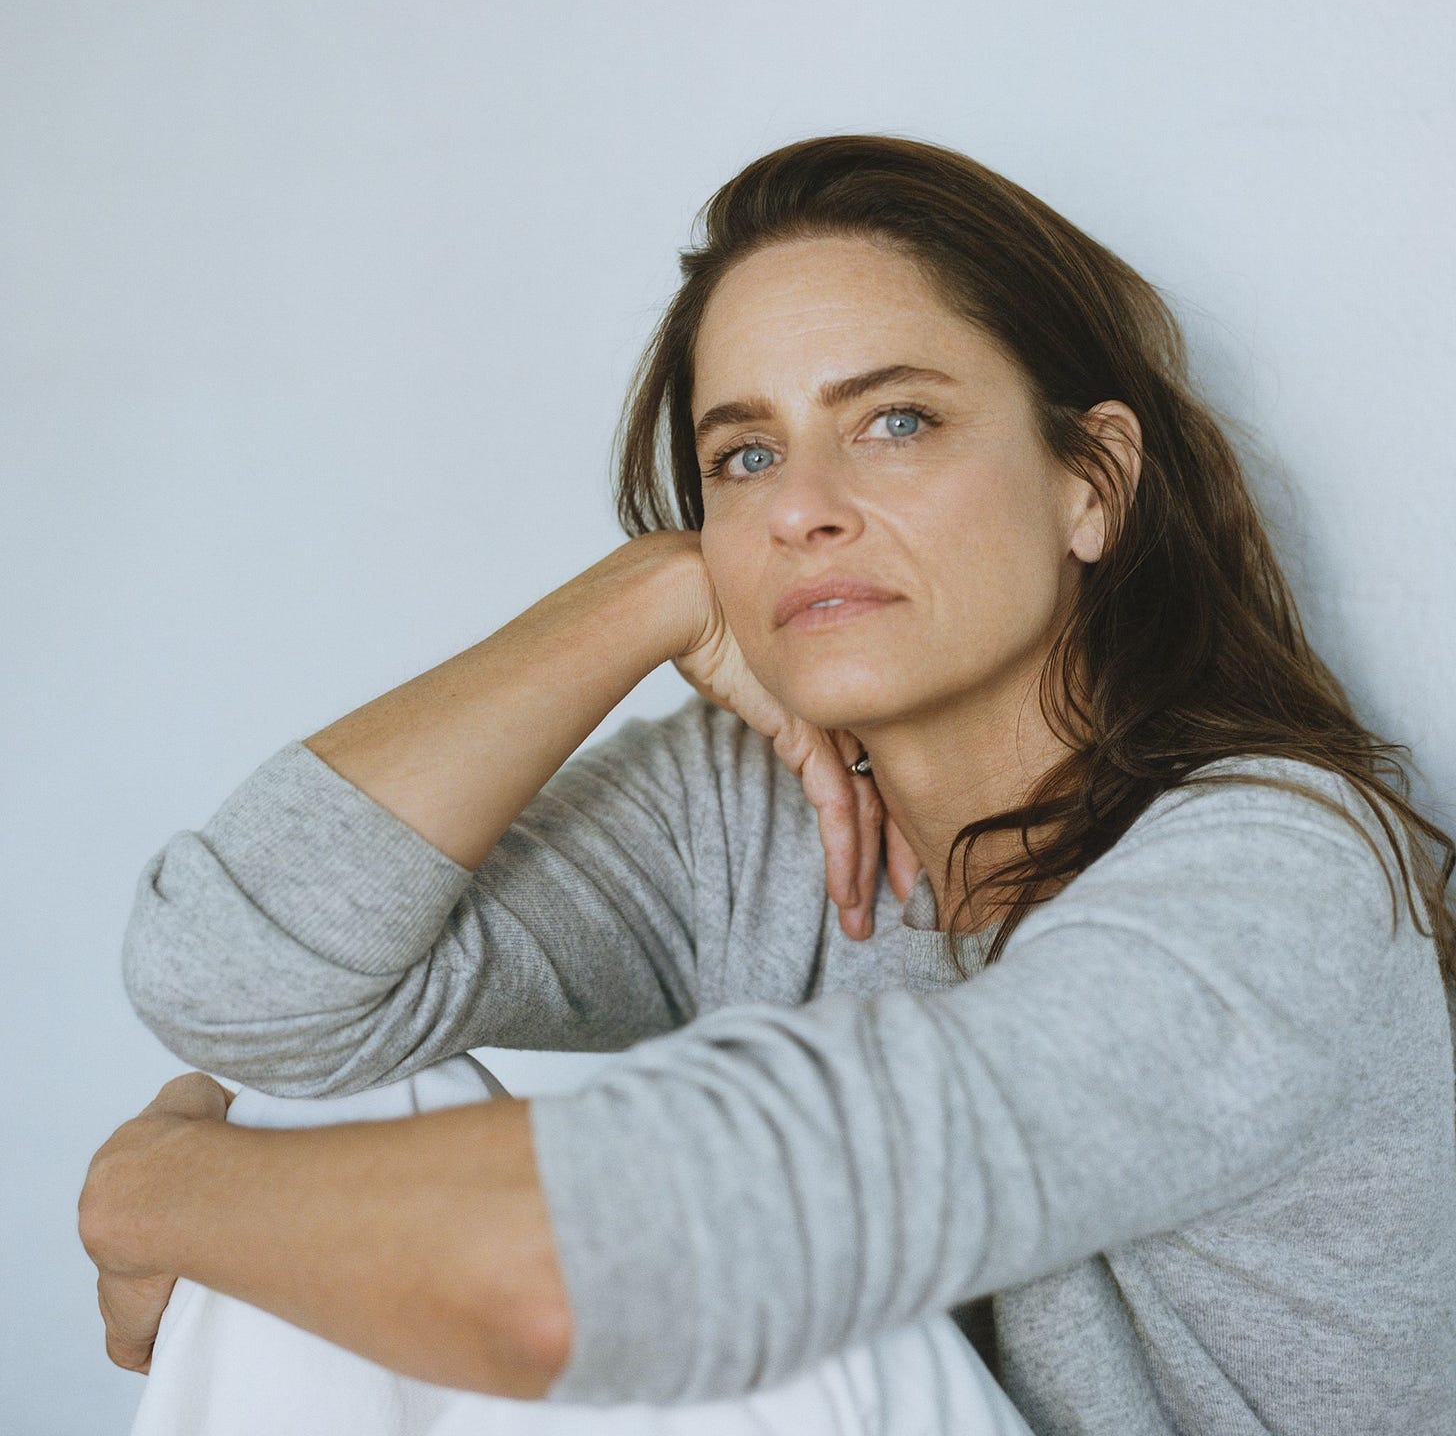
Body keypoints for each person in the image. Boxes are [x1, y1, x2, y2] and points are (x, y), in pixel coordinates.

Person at [80, 133, 1456, 1434]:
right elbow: (241, 989)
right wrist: (640, 597)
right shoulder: (744, 811)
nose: (800, 506)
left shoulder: (1283, 875)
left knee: (736, 1270)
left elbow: (604, 1268)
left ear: (1090, 483)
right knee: (331, 1105)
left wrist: (160, 1194)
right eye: (742, 456)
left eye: (896, 421)